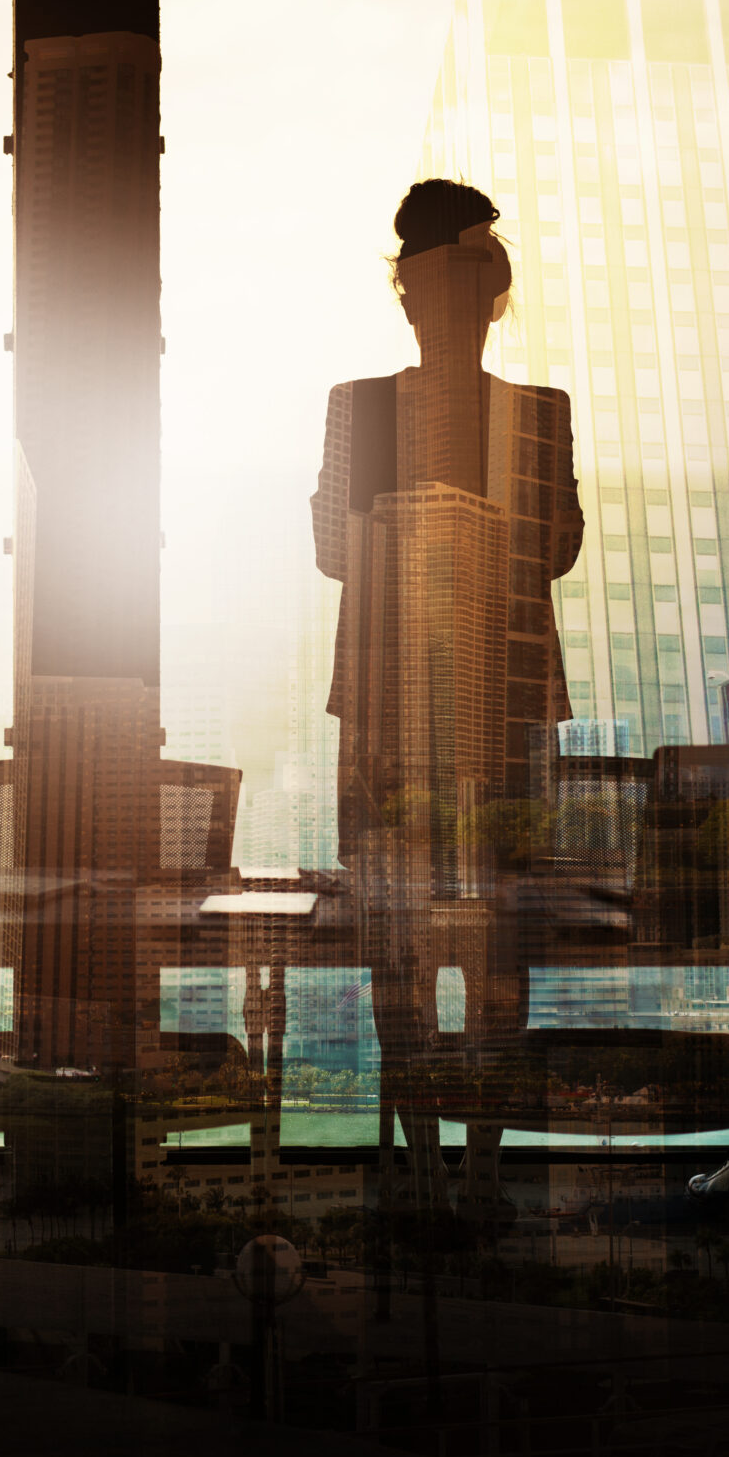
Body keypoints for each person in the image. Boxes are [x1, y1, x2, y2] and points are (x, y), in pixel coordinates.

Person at [312, 178, 581, 1200]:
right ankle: (433, 1165)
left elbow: (554, 542)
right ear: (413, 299)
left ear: (488, 296)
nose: (446, 305)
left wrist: (442, 533)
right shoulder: (359, 408)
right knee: (399, 954)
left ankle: (468, 1170)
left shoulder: (535, 414)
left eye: (462, 284)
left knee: (496, 950)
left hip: (500, 703)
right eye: (433, 286)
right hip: (390, 708)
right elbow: (333, 545)